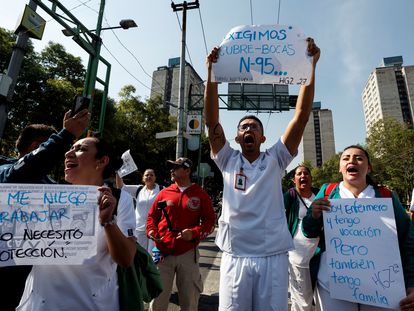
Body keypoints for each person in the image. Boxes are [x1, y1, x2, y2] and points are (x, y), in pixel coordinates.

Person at [203, 38, 320, 311]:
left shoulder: (276, 159)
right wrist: (211, 74)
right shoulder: (227, 159)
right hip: (235, 256)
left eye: (254, 126)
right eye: (243, 126)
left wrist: (310, 67)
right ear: (236, 136)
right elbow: (211, 122)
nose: (248, 129)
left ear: (263, 136)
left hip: (273, 256)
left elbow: (301, 115)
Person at [17, 136, 137, 310]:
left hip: (92, 304)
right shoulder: (44, 196)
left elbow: (126, 259)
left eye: (80, 149)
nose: (68, 153)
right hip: (40, 304)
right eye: (70, 148)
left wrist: (108, 221)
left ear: (102, 161)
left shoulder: (120, 199)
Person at [302, 145, 414, 310]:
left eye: (359, 158)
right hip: (333, 283)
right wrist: (313, 215)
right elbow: (308, 231)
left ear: (368, 168)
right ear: (340, 168)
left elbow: (408, 240)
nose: (352, 161)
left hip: (381, 285)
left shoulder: (385, 195)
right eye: (346, 158)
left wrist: (411, 282)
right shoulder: (328, 192)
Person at [0, 109, 89, 311]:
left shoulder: (49, 185)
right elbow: (20, 173)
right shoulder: (6, 171)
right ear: (36, 147)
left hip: (34, 282)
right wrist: (65, 135)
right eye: (50, 148)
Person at [146, 157, 215, 311]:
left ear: (187, 170)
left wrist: (194, 233)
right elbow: (152, 217)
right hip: (162, 253)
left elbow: (210, 221)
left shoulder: (200, 194)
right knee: (157, 300)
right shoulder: (164, 193)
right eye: (171, 167)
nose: (172, 170)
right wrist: (151, 231)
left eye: (176, 167)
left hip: (188, 254)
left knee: (189, 301)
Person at [284, 165, 320, 311]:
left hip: (320, 256)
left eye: (306, 173)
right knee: (302, 299)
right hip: (298, 256)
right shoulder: (289, 196)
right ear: (294, 180)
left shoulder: (321, 194)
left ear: (311, 178)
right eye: (299, 174)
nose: (303, 176)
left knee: (319, 298)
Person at [117, 168, 164, 253]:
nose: (149, 176)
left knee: (153, 255)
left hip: (155, 228)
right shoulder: (138, 189)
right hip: (139, 228)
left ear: (155, 177)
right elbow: (121, 187)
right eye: (146, 175)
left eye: (151, 175)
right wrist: (118, 172)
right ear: (143, 178)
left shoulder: (162, 190)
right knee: (141, 254)